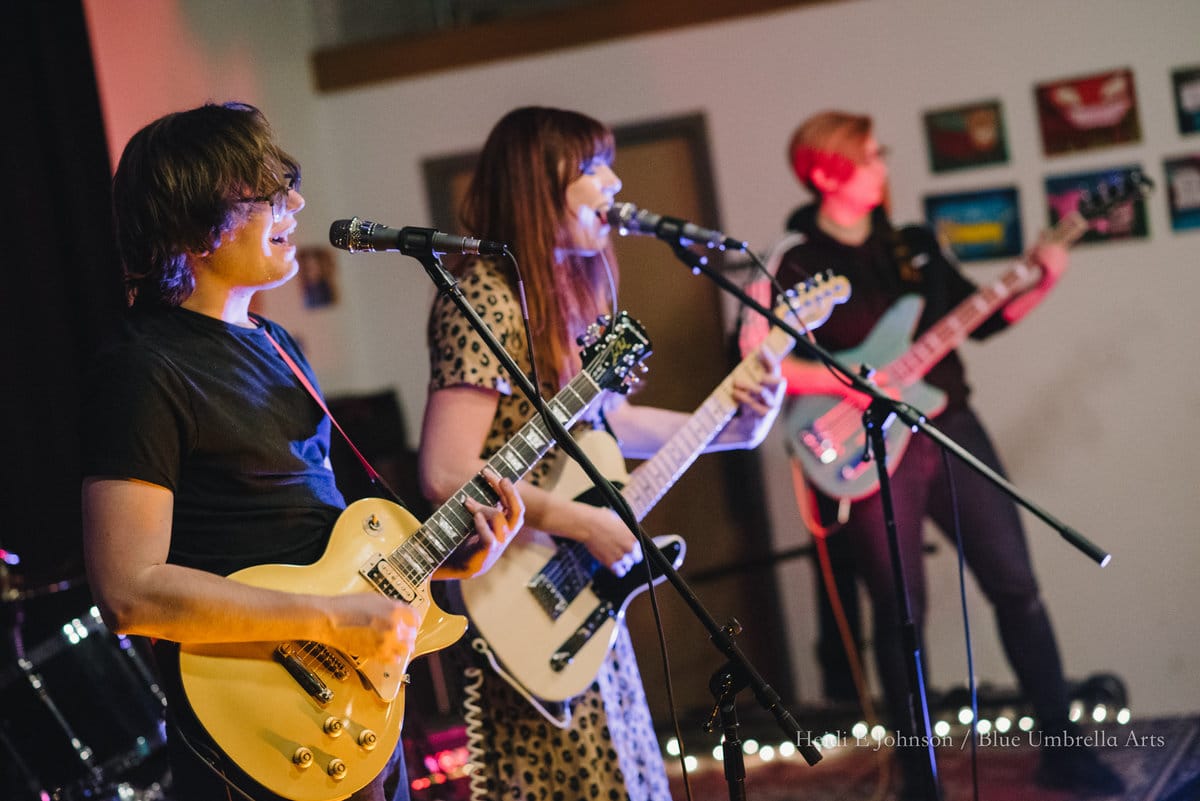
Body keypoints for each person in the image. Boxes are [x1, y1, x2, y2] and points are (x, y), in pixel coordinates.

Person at [80, 102, 525, 801]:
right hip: (253, 727)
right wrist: (332, 619)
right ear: (197, 225)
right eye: (266, 194)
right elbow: (129, 591)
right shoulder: (144, 365)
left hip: (345, 710)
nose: (298, 202)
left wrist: (448, 559)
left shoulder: (279, 347)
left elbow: (324, 547)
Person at [741, 110, 1123, 798]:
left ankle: (1064, 749)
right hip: (858, 444)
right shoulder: (794, 257)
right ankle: (921, 780)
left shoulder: (912, 244)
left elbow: (988, 316)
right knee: (899, 614)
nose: (885, 164)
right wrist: (852, 383)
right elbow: (760, 363)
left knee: (1016, 583)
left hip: (948, 425)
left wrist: (1046, 276)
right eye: (870, 155)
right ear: (828, 170)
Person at [417, 106, 784, 801]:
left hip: (574, 591)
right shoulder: (483, 296)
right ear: (535, 182)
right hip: (516, 584)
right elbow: (444, 470)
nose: (613, 183)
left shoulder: (572, 293)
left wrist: (729, 426)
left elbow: (609, 423)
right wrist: (583, 521)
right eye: (591, 168)